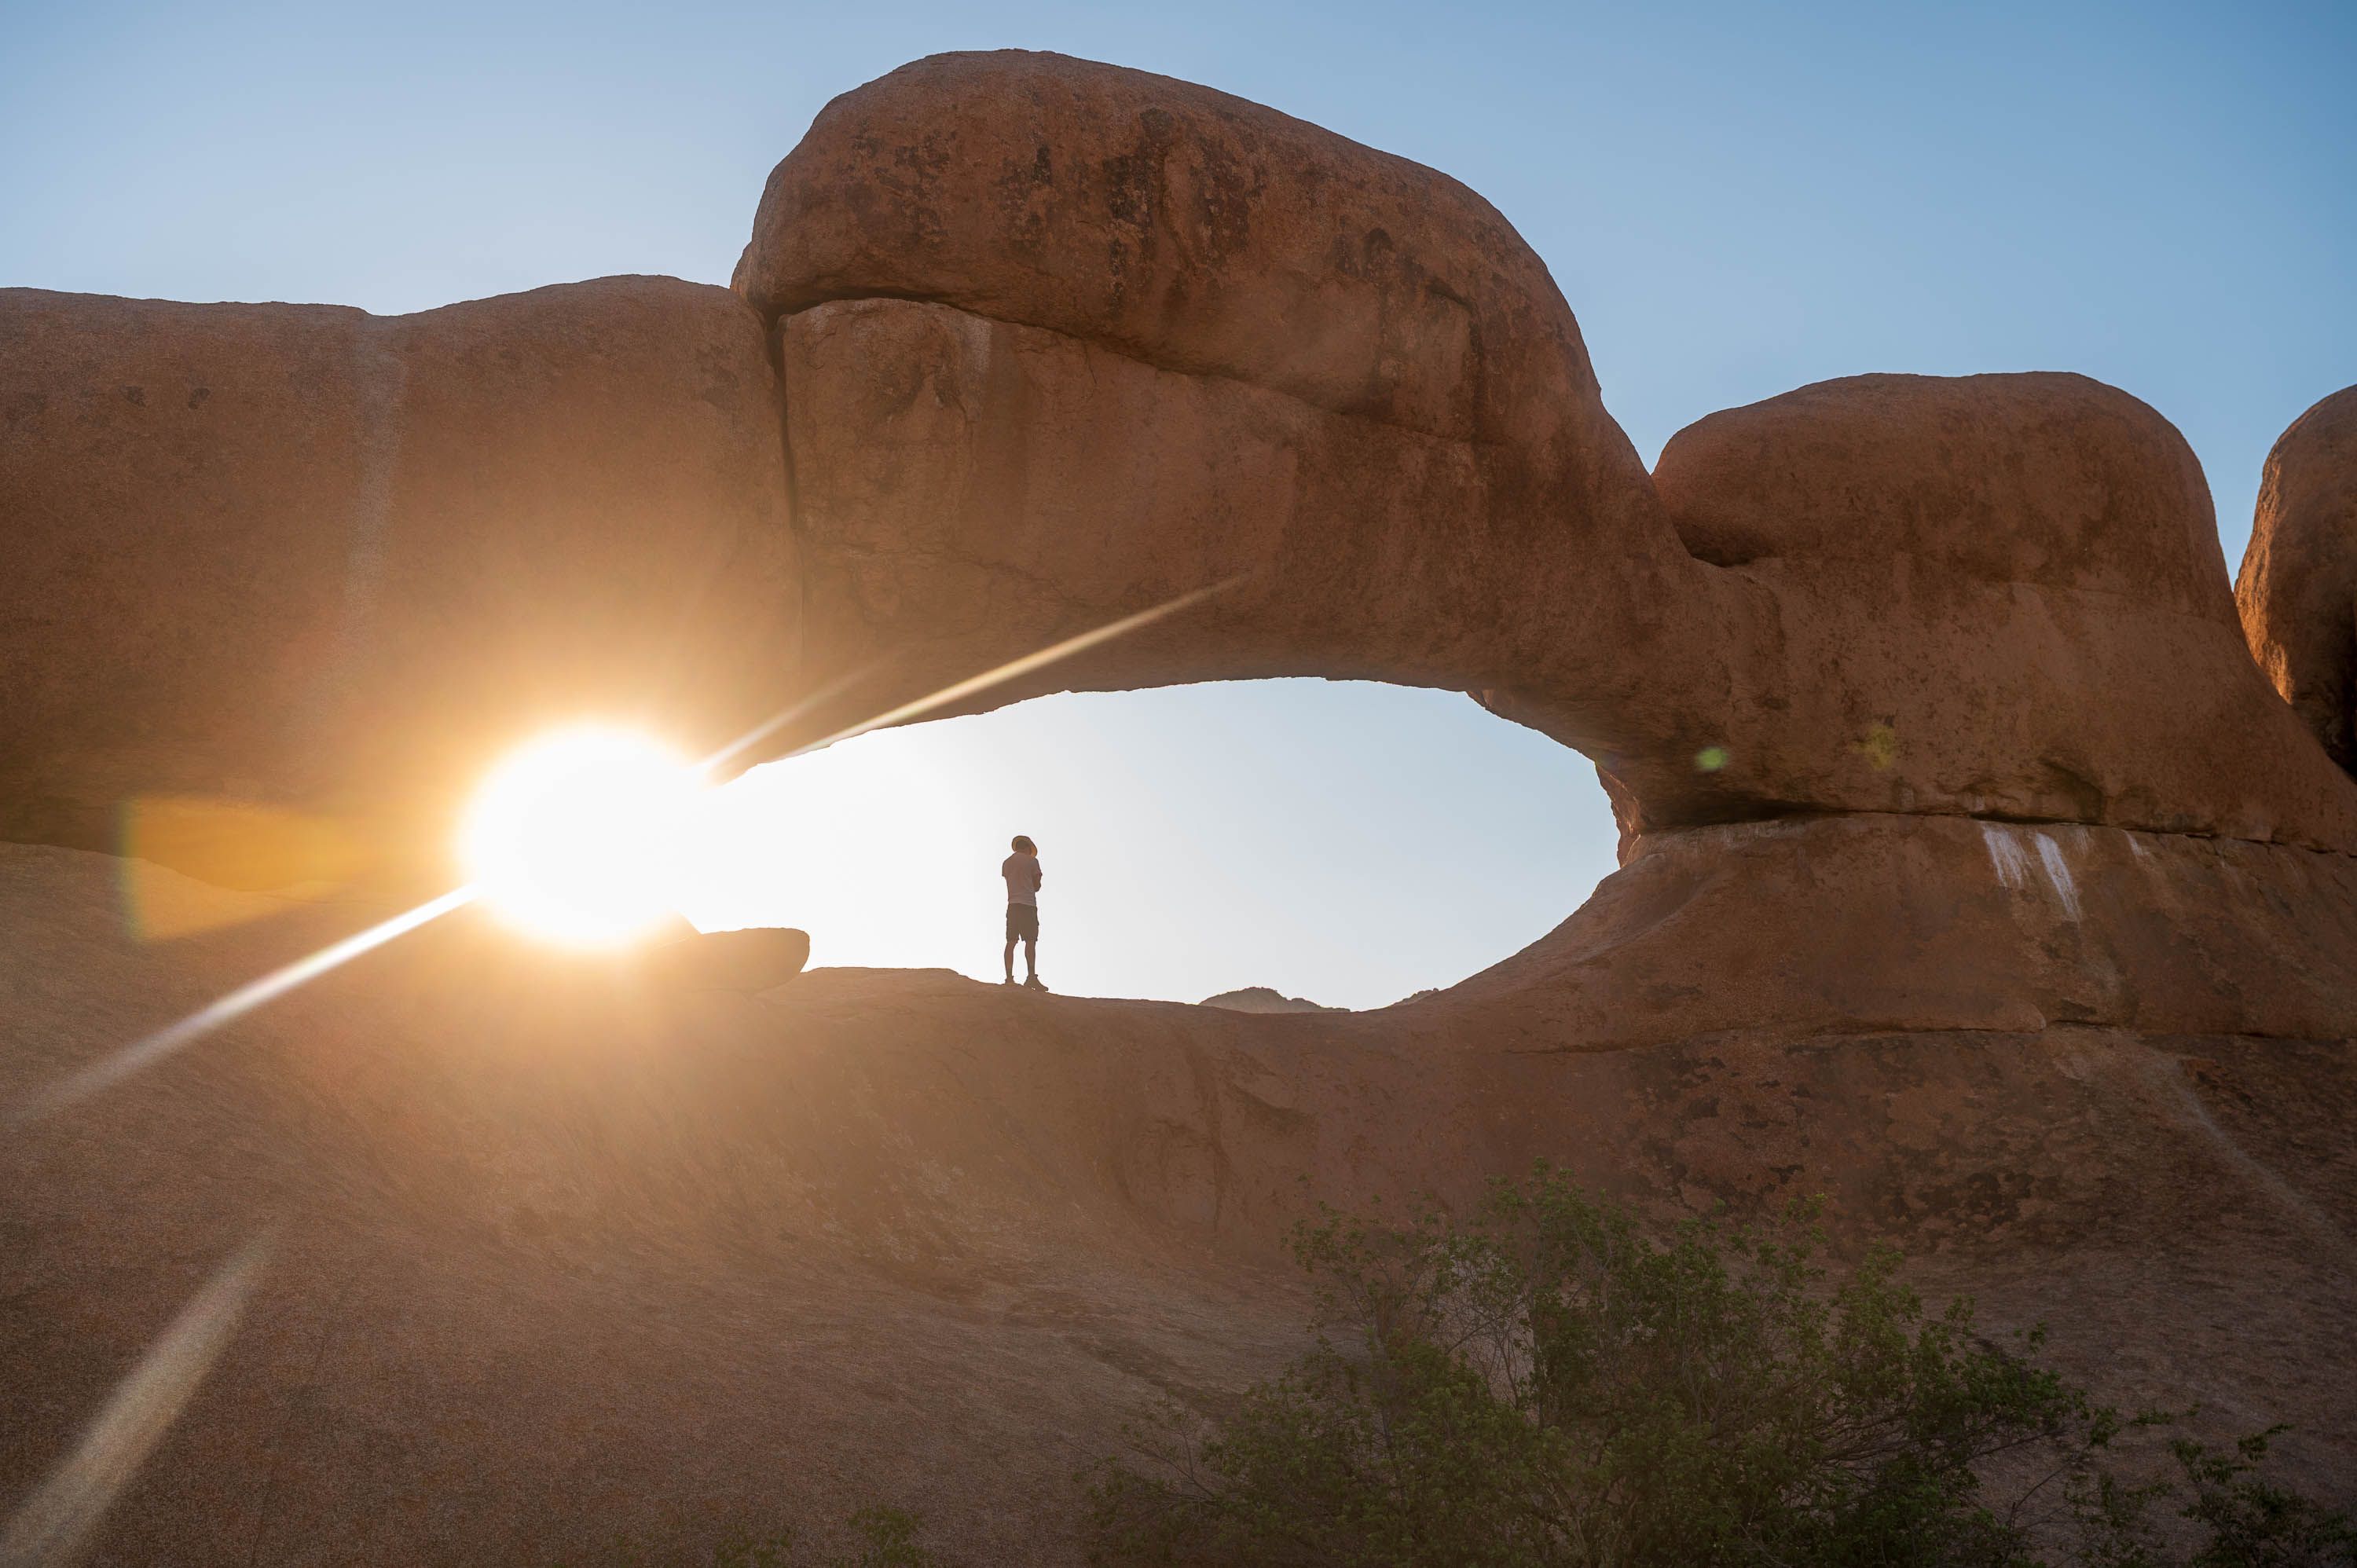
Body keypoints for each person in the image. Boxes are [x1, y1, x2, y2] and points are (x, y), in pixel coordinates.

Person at [1002, 833, 1045, 991]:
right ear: (1027, 848)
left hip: (1013, 904)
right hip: (1028, 904)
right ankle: (1031, 977)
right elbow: (1037, 886)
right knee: (1030, 941)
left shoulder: (1006, 863)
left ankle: (1009, 977)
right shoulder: (1032, 861)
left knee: (1011, 941)